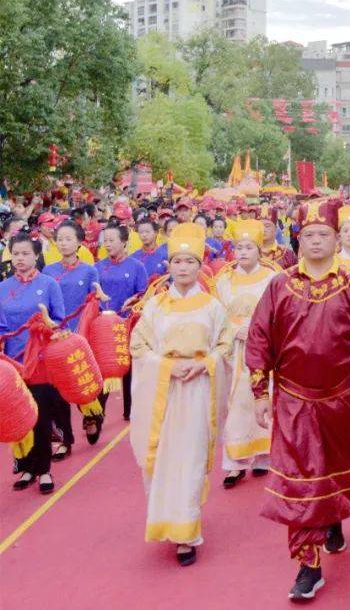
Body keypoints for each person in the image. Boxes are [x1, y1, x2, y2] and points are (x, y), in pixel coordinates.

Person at [246, 198, 350, 601]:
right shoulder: (280, 285)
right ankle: (308, 565)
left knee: (341, 470)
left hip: (343, 399)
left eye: (324, 235)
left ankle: (332, 519)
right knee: (299, 482)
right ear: (299, 238)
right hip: (294, 401)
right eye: (309, 234)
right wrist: (260, 392)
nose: (316, 241)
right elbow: (259, 337)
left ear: (337, 239)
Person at [128, 222, 230, 566]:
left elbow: (225, 345)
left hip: (199, 388)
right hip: (164, 390)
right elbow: (138, 345)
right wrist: (166, 367)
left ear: (200, 266)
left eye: (189, 261)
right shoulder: (156, 306)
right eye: (177, 262)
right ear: (168, 265)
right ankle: (166, 520)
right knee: (164, 457)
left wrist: (205, 364)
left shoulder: (212, 306)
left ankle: (187, 532)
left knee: (191, 457)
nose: (183, 268)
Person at [1, 233, 66, 494]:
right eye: (15, 253)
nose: (20, 258)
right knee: (18, 414)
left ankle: (44, 469)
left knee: (40, 415)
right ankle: (27, 467)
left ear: (37, 255)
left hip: (40, 361)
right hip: (12, 362)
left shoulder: (49, 284)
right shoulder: (3, 287)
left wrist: (47, 324)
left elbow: (59, 320)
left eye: (25, 253)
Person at [213, 219, 275, 488]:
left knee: (263, 397)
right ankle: (234, 463)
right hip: (234, 349)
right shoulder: (223, 281)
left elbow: (279, 312)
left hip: (263, 347)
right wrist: (234, 329)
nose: (243, 252)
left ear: (259, 250)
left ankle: (263, 456)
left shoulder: (272, 278)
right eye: (239, 247)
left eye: (249, 247)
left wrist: (258, 330)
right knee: (235, 403)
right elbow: (216, 315)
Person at [42, 220, 101, 455]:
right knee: (57, 390)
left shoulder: (89, 270)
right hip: (54, 336)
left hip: (78, 336)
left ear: (79, 243)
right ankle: (65, 439)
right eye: (60, 239)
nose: (63, 243)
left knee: (80, 381)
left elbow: (94, 303)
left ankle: (91, 416)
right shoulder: (48, 271)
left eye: (68, 239)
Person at [95, 224, 149, 422]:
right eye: (105, 240)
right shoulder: (97, 267)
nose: (107, 244)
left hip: (128, 324)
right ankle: (97, 413)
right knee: (105, 366)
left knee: (129, 367)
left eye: (112, 240)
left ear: (124, 242)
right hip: (104, 325)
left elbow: (143, 293)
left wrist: (133, 300)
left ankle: (130, 409)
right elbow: (92, 295)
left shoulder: (136, 266)